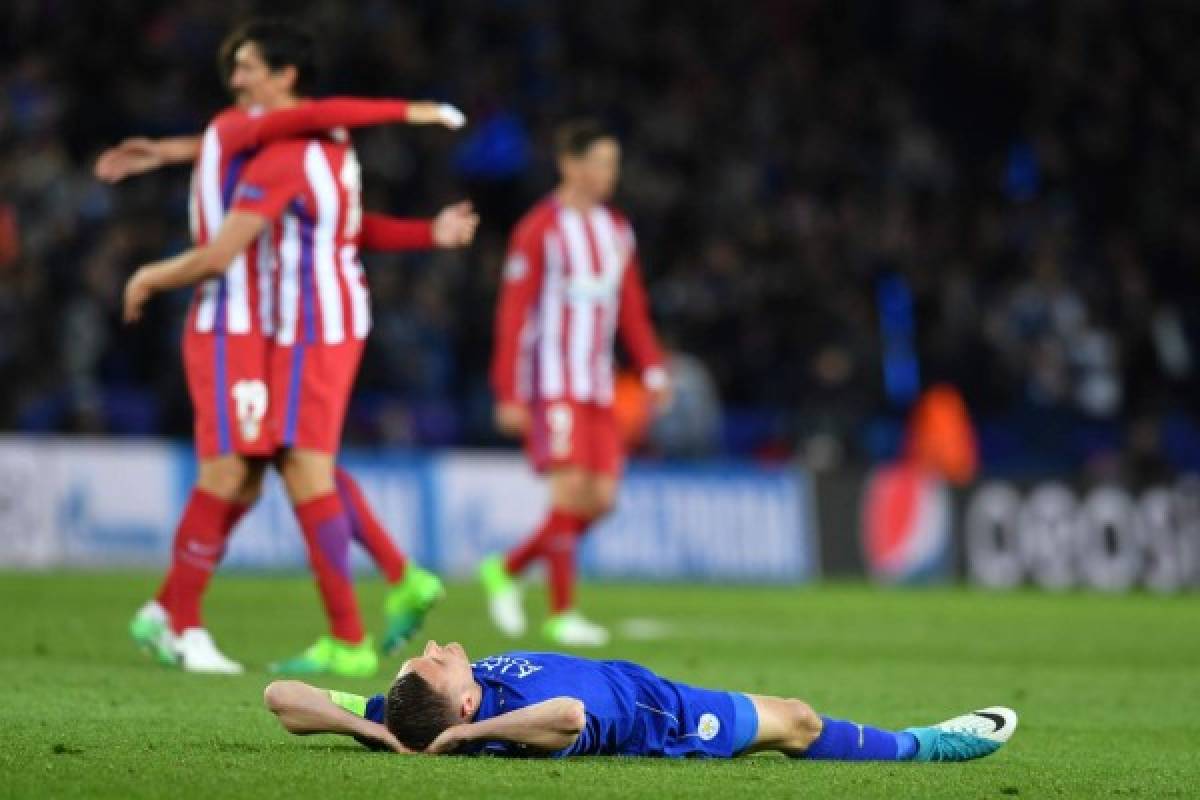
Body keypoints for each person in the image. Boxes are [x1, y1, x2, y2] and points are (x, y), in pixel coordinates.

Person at [114, 19, 476, 677]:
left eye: (250, 66)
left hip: (298, 325)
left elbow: (249, 208)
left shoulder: (291, 148)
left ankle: (334, 622)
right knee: (261, 471)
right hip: (262, 323)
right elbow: (332, 207)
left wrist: (410, 110)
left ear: (287, 80)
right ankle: (186, 615)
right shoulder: (322, 149)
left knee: (283, 466)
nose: (235, 80)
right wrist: (168, 153)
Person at [481, 120, 671, 647]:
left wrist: (651, 366)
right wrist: (508, 392)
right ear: (571, 163)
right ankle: (562, 614)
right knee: (569, 492)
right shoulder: (539, 228)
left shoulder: (616, 230)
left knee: (603, 498)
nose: (611, 173)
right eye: (603, 161)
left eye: (614, 163)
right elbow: (513, 314)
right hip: (552, 383)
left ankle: (508, 568)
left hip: (598, 384)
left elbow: (631, 304)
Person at [262, 640, 1018, 763]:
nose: (435, 650)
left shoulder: (397, 715)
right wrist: (465, 741)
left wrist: (382, 734)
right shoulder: (499, 729)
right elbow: (570, 718)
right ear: (462, 710)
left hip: (635, 677)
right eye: (433, 665)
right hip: (664, 715)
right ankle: (931, 745)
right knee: (798, 720)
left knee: (795, 716)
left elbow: (281, 696)